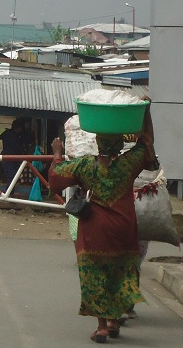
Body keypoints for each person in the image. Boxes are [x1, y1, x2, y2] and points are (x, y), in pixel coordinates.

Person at [49, 108, 156, 344]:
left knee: (95, 276)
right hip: (123, 228)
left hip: (95, 230)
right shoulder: (128, 165)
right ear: (119, 145)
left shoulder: (86, 166)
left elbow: (56, 178)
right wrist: (146, 112)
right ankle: (113, 319)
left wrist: (58, 153)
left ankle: (101, 328)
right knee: (119, 273)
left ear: (98, 144)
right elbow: (146, 142)